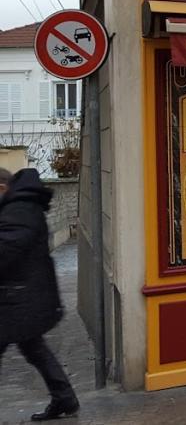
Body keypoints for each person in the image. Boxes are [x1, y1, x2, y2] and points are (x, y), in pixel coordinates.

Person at [0, 168, 79, 420]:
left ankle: (64, 397)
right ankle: (64, 397)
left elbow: (6, 250)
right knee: (34, 347)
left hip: (17, 297)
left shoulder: (19, 210)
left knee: (33, 347)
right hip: (21, 295)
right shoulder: (20, 206)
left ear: (2, 187)